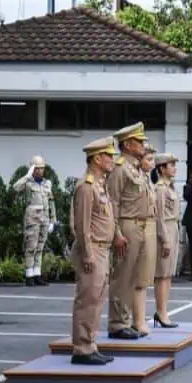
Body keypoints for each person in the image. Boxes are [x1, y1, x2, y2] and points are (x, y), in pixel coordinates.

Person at [70, 136, 120, 366]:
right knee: (88, 299)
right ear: (97, 158)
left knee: (97, 299)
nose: (112, 160)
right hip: (93, 250)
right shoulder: (86, 186)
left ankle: (91, 344)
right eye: (108, 156)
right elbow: (81, 225)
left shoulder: (101, 184)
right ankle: (81, 347)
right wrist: (88, 253)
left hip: (103, 249)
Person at [106, 122, 155, 340]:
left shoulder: (135, 168)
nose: (143, 145)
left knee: (134, 277)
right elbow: (113, 203)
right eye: (139, 141)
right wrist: (116, 232)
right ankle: (118, 323)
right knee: (122, 276)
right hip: (127, 224)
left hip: (141, 225)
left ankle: (129, 321)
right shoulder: (119, 169)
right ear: (127, 145)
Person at [12, 155, 57, 286]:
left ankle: (37, 274)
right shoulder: (27, 183)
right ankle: (29, 276)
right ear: (32, 169)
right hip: (32, 219)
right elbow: (15, 187)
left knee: (40, 247)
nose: (40, 171)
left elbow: (51, 201)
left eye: (42, 168)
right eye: (37, 169)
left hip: (44, 219)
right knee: (30, 247)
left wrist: (53, 220)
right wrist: (27, 175)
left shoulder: (47, 183)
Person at [152, 153, 181, 328]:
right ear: (162, 169)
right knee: (162, 274)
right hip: (166, 230)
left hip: (173, 227)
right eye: (171, 165)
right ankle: (161, 312)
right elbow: (159, 216)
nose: (174, 168)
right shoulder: (160, 189)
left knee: (168, 274)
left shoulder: (170, 187)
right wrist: (165, 239)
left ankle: (163, 310)